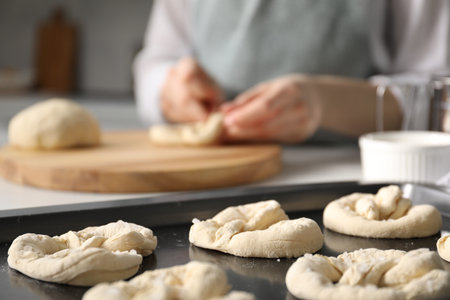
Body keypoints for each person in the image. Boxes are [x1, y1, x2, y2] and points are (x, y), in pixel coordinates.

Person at [133, 0, 450, 143]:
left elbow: (437, 97)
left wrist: (321, 103)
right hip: (207, 173)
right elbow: (156, 60)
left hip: (351, 176)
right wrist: (170, 86)